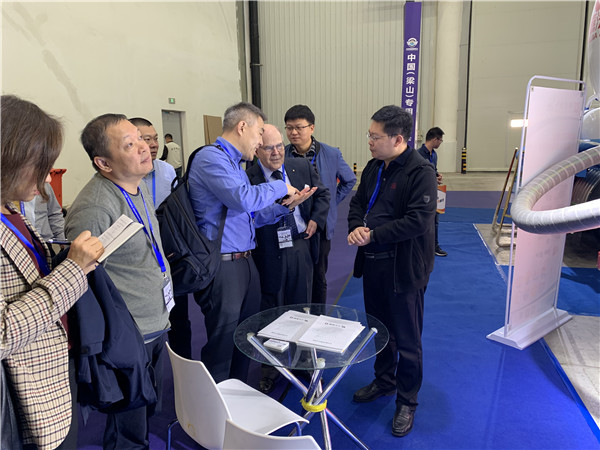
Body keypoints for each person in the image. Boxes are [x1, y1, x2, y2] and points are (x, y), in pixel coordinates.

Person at [1, 95, 104, 449]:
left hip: (53, 373)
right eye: (41, 166)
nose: (48, 178)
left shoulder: (10, 208)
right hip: (23, 399)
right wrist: (73, 270)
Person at [65, 114, 172, 449]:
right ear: (104, 163)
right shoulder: (96, 207)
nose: (144, 147)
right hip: (128, 336)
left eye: (140, 138)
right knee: (128, 431)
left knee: (146, 413)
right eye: (129, 144)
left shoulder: (136, 187)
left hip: (155, 323)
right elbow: (81, 281)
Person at [187, 102, 312, 383]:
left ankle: (238, 393)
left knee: (245, 336)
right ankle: (216, 402)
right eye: (259, 134)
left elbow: (249, 216)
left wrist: (286, 207)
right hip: (223, 265)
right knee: (222, 343)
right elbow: (243, 199)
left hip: (244, 262)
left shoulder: (234, 165)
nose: (259, 143)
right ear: (242, 127)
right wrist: (281, 186)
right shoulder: (211, 158)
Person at [347, 105, 437, 438]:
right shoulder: (374, 167)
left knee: (408, 339)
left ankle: (407, 400)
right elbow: (358, 203)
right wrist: (356, 226)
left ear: (398, 139)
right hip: (373, 264)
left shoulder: (420, 172)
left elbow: (418, 221)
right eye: (369, 135)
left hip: (403, 268)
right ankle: (384, 381)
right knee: (380, 330)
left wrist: (373, 235)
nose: (369, 141)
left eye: (375, 136)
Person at [247, 124, 330, 393]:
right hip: (267, 250)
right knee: (270, 310)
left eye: (279, 146)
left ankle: (303, 362)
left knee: (302, 306)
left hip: (300, 246)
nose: (276, 152)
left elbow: (323, 194)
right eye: (268, 148)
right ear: (256, 150)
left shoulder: (300, 166)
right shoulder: (248, 178)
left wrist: (315, 219)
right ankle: (271, 368)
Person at [284, 105, 356, 304]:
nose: (293, 132)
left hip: (321, 224)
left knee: (318, 273)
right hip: (292, 222)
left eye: (299, 127)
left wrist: (331, 203)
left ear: (312, 128)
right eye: (289, 128)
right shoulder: (282, 154)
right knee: (292, 273)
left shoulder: (331, 154)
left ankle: (317, 314)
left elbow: (349, 180)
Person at [130, 118, 177, 207]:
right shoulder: (119, 176)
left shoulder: (168, 170)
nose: (154, 145)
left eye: (156, 139)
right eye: (147, 139)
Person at [417, 127, 447, 257]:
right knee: (421, 220)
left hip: (434, 191)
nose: (440, 143)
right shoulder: (418, 155)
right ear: (435, 139)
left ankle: (434, 246)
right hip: (421, 194)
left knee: (435, 220)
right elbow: (417, 175)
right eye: (440, 140)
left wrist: (437, 175)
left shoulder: (434, 155)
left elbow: (433, 170)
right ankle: (420, 246)